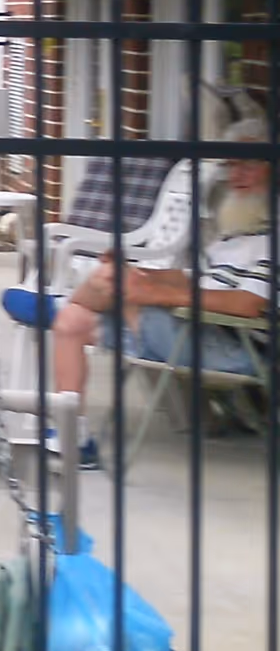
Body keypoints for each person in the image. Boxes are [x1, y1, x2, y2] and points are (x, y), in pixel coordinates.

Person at [49, 118, 274, 469]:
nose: (236, 175)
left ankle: (66, 299)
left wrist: (154, 294)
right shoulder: (238, 232)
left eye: (248, 164)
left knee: (114, 284)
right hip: (189, 330)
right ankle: (73, 439)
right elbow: (193, 278)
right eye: (231, 165)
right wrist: (143, 275)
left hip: (234, 348)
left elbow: (249, 303)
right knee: (72, 322)